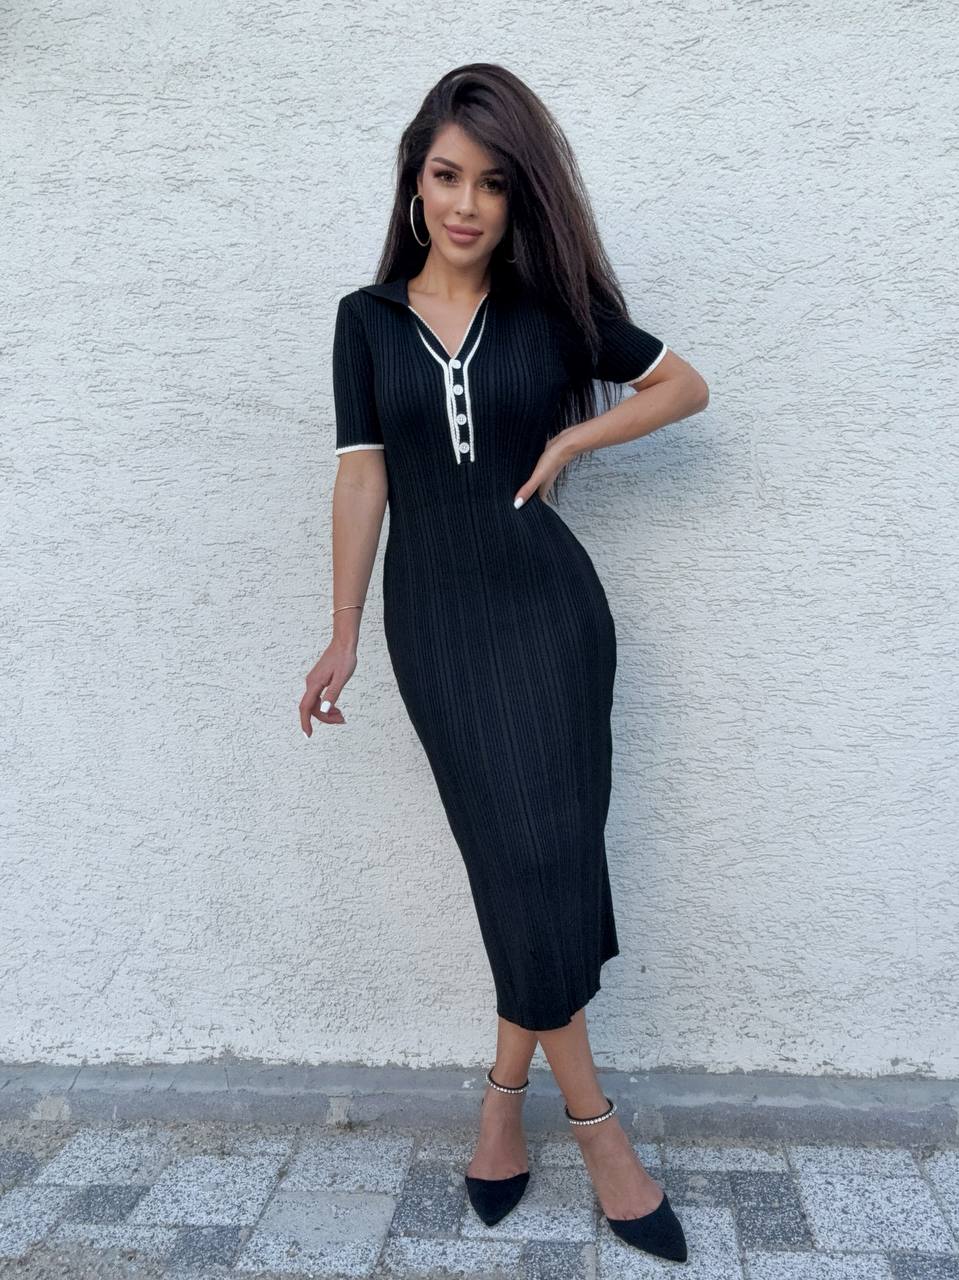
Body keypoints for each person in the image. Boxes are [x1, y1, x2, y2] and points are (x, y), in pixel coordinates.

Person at [300, 64, 708, 1263]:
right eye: (444, 175)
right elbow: (361, 474)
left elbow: (681, 383)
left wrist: (580, 431)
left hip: (554, 616)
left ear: (518, 196)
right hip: (437, 623)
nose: (464, 203)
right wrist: (337, 631)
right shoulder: (364, 321)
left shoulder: (546, 309)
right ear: (414, 179)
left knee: (547, 858)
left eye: (489, 181)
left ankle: (503, 1101)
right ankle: (593, 1124)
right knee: (517, 859)